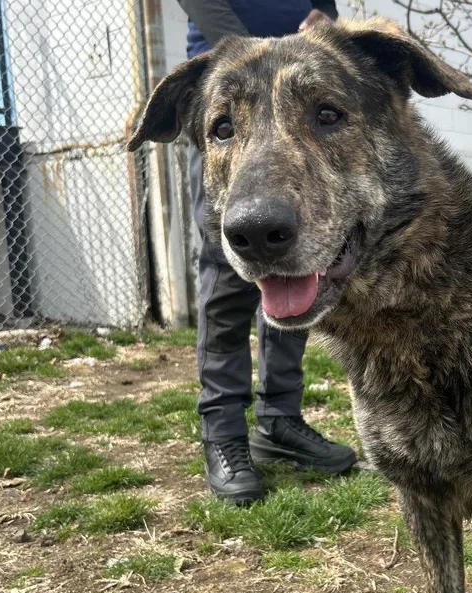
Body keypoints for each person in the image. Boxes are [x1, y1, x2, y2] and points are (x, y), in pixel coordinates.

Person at [179, 0, 356, 506]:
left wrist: (324, 14)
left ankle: (280, 420)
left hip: (303, 77)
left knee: (303, 272)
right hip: (231, 79)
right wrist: (246, 51)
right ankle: (223, 433)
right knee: (226, 285)